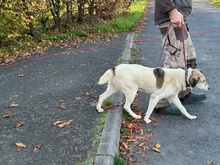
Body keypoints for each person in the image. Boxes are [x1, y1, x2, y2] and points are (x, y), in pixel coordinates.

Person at [153, 0, 207, 114]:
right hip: (171, 17)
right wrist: (171, 10)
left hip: (180, 16)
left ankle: (183, 94)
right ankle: (161, 103)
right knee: (175, 61)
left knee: (188, 58)